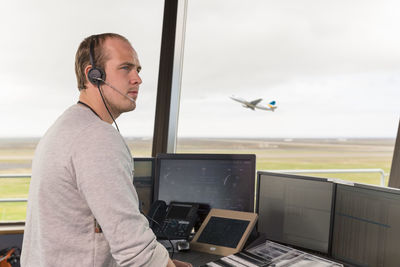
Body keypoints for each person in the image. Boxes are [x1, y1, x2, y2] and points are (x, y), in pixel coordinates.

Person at [21, 33, 192, 267]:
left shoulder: (67, 127)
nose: (137, 79)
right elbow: (135, 253)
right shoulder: (96, 137)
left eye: (138, 70)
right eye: (126, 68)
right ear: (93, 75)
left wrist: (164, 261)